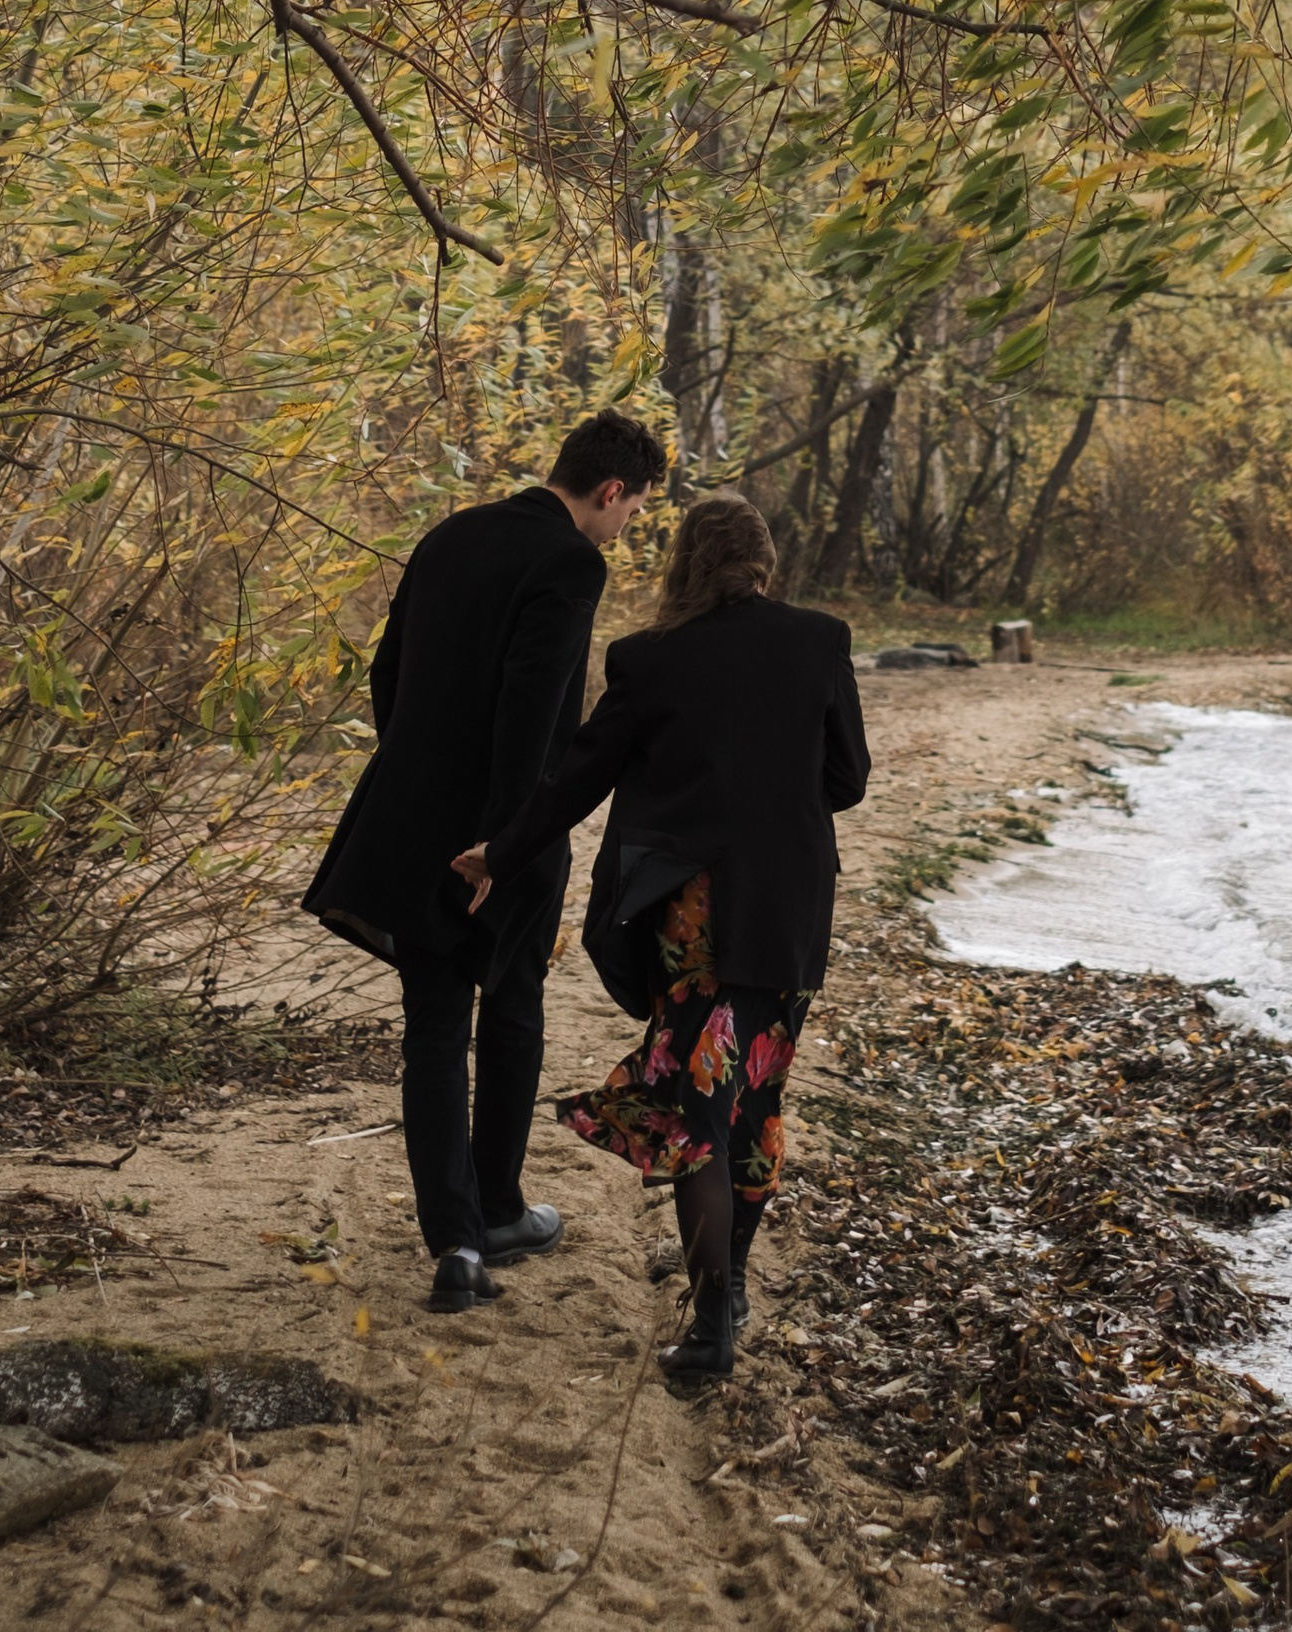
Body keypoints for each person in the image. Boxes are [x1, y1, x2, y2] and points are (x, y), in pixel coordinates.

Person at [456, 493, 869, 1392]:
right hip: (787, 911)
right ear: (763, 563)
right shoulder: (819, 640)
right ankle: (731, 1292)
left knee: (696, 1111)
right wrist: (773, 797)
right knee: (753, 1099)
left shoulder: (649, 658)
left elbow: (578, 779)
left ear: (686, 564)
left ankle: (714, 1312)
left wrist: (501, 850)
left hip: (694, 919)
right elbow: (849, 779)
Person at [302, 409, 668, 1311]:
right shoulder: (572, 562)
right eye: (633, 511)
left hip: (409, 816)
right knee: (510, 1008)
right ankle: (499, 1209)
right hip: (504, 834)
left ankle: (454, 1243)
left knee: (431, 1024)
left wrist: (423, 773)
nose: (624, 529)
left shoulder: (451, 534)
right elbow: (534, 707)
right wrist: (504, 844)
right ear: (611, 489)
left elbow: (389, 674)